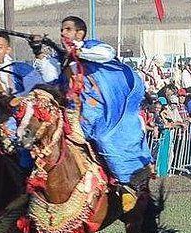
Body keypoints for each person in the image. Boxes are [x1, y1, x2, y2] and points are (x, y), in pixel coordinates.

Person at [43, 16, 152, 208]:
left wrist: (78, 51)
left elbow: (107, 54)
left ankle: (126, 184)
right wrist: (39, 52)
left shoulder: (93, 47)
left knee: (104, 139)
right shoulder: (58, 59)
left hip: (100, 113)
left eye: (68, 29)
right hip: (70, 113)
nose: (63, 33)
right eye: (62, 30)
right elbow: (48, 77)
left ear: (80, 33)